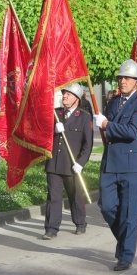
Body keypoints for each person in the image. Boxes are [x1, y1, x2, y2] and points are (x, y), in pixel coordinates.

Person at [93, 59, 137, 271]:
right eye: (120, 78)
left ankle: (126, 255)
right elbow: (108, 130)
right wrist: (102, 124)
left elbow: (133, 131)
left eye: (127, 78)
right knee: (107, 207)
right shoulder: (113, 102)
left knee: (129, 212)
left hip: (132, 164)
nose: (122, 81)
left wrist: (107, 124)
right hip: (111, 162)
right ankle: (124, 240)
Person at [42, 83, 93, 239]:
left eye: (68, 94)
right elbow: (43, 136)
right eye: (64, 94)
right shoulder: (56, 114)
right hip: (54, 163)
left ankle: (80, 222)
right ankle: (51, 228)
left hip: (72, 164)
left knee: (75, 195)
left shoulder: (84, 117)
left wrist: (80, 163)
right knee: (53, 197)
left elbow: (88, 144)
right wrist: (53, 130)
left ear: (76, 99)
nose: (64, 96)